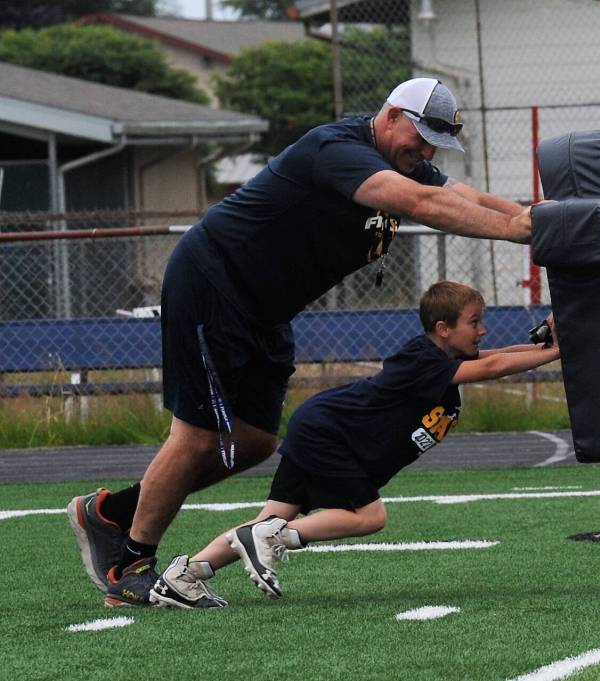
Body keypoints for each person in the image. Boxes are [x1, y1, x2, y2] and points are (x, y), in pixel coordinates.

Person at [67, 78, 539, 608]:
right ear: (390, 116)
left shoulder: (410, 165)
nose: (425, 151)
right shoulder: (337, 149)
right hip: (214, 283)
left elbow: (463, 195)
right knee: (200, 435)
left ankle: (112, 512)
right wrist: (514, 233)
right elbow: (422, 202)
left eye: (435, 144)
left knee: (252, 442)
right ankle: (129, 563)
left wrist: (537, 219)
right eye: (420, 136)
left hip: (266, 311)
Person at [146, 281, 559, 608]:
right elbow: (493, 366)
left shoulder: (444, 358)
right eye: (474, 322)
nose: (482, 330)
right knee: (369, 516)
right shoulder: (424, 362)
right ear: (443, 329)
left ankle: (183, 576)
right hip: (330, 435)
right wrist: (557, 352)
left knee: (271, 515)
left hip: (323, 430)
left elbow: (499, 353)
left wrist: (550, 346)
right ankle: (273, 538)